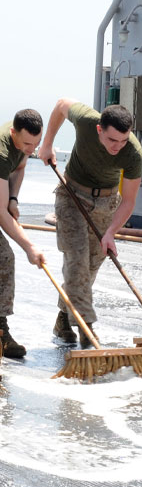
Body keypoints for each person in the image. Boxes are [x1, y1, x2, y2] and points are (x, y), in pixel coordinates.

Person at [39, 100, 142, 347]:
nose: (118, 146)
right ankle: (87, 329)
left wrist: (110, 233)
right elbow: (60, 105)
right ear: (99, 130)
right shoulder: (86, 120)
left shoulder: (133, 153)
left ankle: (65, 319)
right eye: (112, 140)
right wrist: (47, 144)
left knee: (90, 266)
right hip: (71, 195)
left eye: (123, 140)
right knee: (76, 260)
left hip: (107, 203)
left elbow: (128, 201)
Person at [0, 110, 47, 358]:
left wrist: (13, 198)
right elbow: (1, 214)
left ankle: (0, 331)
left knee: (3, 259)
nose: (31, 148)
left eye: (36, 144)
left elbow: (19, 167)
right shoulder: (1, 151)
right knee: (5, 256)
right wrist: (29, 246)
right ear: (13, 133)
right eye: (27, 143)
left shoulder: (23, 141)